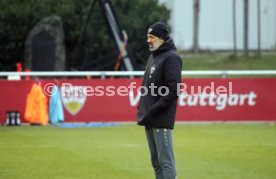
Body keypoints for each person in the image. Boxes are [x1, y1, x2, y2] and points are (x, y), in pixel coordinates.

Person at [137, 22, 182, 179]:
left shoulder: (172, 58)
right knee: (156, 162)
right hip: (149, 117)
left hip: (160, 117)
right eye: (147, 37)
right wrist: (143, 108)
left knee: (165, 162)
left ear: (162, 38)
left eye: (151, 37)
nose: (148, 40)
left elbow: (174, 90)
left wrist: (155, 108)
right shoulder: (153, 56)